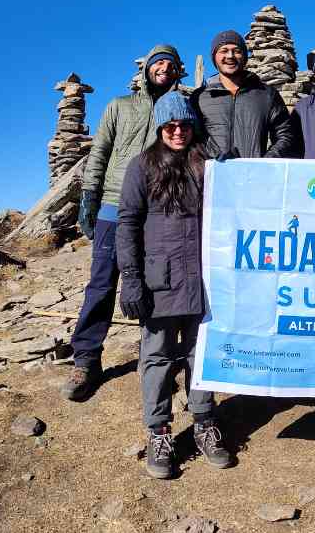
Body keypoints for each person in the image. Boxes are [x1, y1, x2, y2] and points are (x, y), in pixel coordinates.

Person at [115, 92, 234, 479]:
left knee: (201, 354)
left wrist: (235, 175)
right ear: (160, 128)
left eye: (184, 124)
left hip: (203, 277)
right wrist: (130, 279)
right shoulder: (142, 166)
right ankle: (159, 432)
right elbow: (128, 223)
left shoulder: (208, 165)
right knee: (158, 357)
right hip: (159, 279)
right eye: (170, 126)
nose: (178, 131)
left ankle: (203, 423)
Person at [61, 45, 182, 402]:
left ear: (178, 73)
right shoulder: (119, 106)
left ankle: (154, 358)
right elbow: (99, 151)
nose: (164, 68)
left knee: (153, 284)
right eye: (158, 63)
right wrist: (89, 197)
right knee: (102, 283)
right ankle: (86, 359)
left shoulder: (176, 110)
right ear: (146, 69)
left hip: (157, 210)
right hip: (114, 206)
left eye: (171, 65)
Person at [191, 30, 296, 159]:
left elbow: (285, 135)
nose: (230, 56)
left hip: (255, 176)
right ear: (214, 57)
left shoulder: (266, 95)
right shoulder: (200, 97)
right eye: (224, 51)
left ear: (244, 56)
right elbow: (191, 139)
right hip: (212, 175)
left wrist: (266, 162)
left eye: (237, 51)